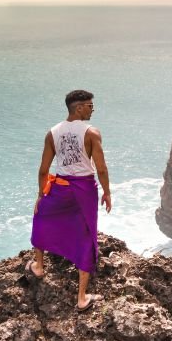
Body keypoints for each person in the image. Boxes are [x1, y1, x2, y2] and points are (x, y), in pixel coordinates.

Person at [27, 89, 112, 310]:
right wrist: (107, 192)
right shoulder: (92, 133)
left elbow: (43, 170)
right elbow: (101, 169)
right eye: (90, 106)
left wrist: (41, 195)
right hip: (83, 189)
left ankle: (38, 265)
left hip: (60, 188)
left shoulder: (52, 133)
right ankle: (81, 298)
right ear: (79, 107)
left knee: (41, 217)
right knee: (86, 235)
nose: (93, 109)